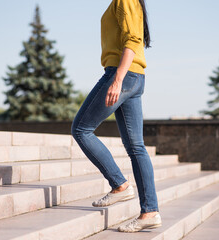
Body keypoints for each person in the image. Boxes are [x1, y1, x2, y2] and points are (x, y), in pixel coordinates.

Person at [71, 0, 162, 233]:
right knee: (136, 146)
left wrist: (117, 79)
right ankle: (149, 212)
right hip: (134, 75)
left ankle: (120, 185)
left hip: (123, 74)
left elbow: (133, 39)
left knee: (81, 129)